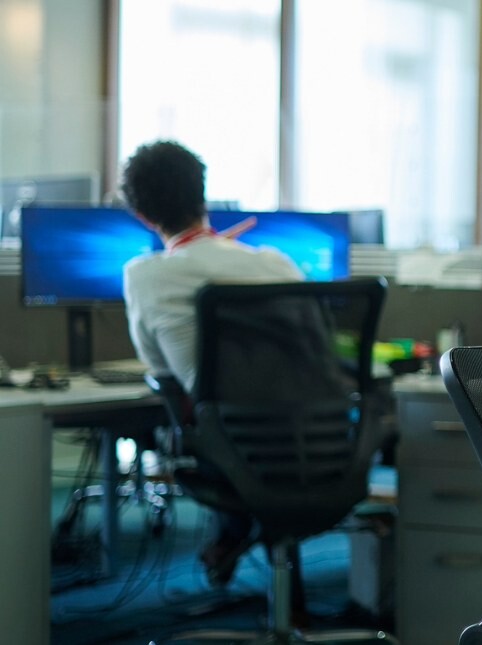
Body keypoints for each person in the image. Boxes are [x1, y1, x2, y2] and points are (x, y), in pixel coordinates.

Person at [120, 140, 301, 593]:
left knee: (216, 421)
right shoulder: (276, 264)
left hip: (230, 448)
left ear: (143, 216)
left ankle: (230, 537)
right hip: (315, 437)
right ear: (203, 197)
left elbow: (162, 374)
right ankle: (258, 564)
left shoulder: (144, 275)